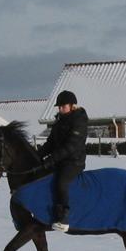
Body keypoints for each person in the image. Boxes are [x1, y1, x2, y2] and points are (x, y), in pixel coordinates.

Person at [38, 90, 88, 231]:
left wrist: (51, 159)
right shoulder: (59, 121)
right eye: (59, 107)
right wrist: (37, 155)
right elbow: (50, 143)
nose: (60, 109)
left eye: (63, 106)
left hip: (74, 162)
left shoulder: (79, 121)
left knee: (61, 182)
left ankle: (63, 217)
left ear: (72, 106)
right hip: (59, 160)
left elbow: (71, 147)